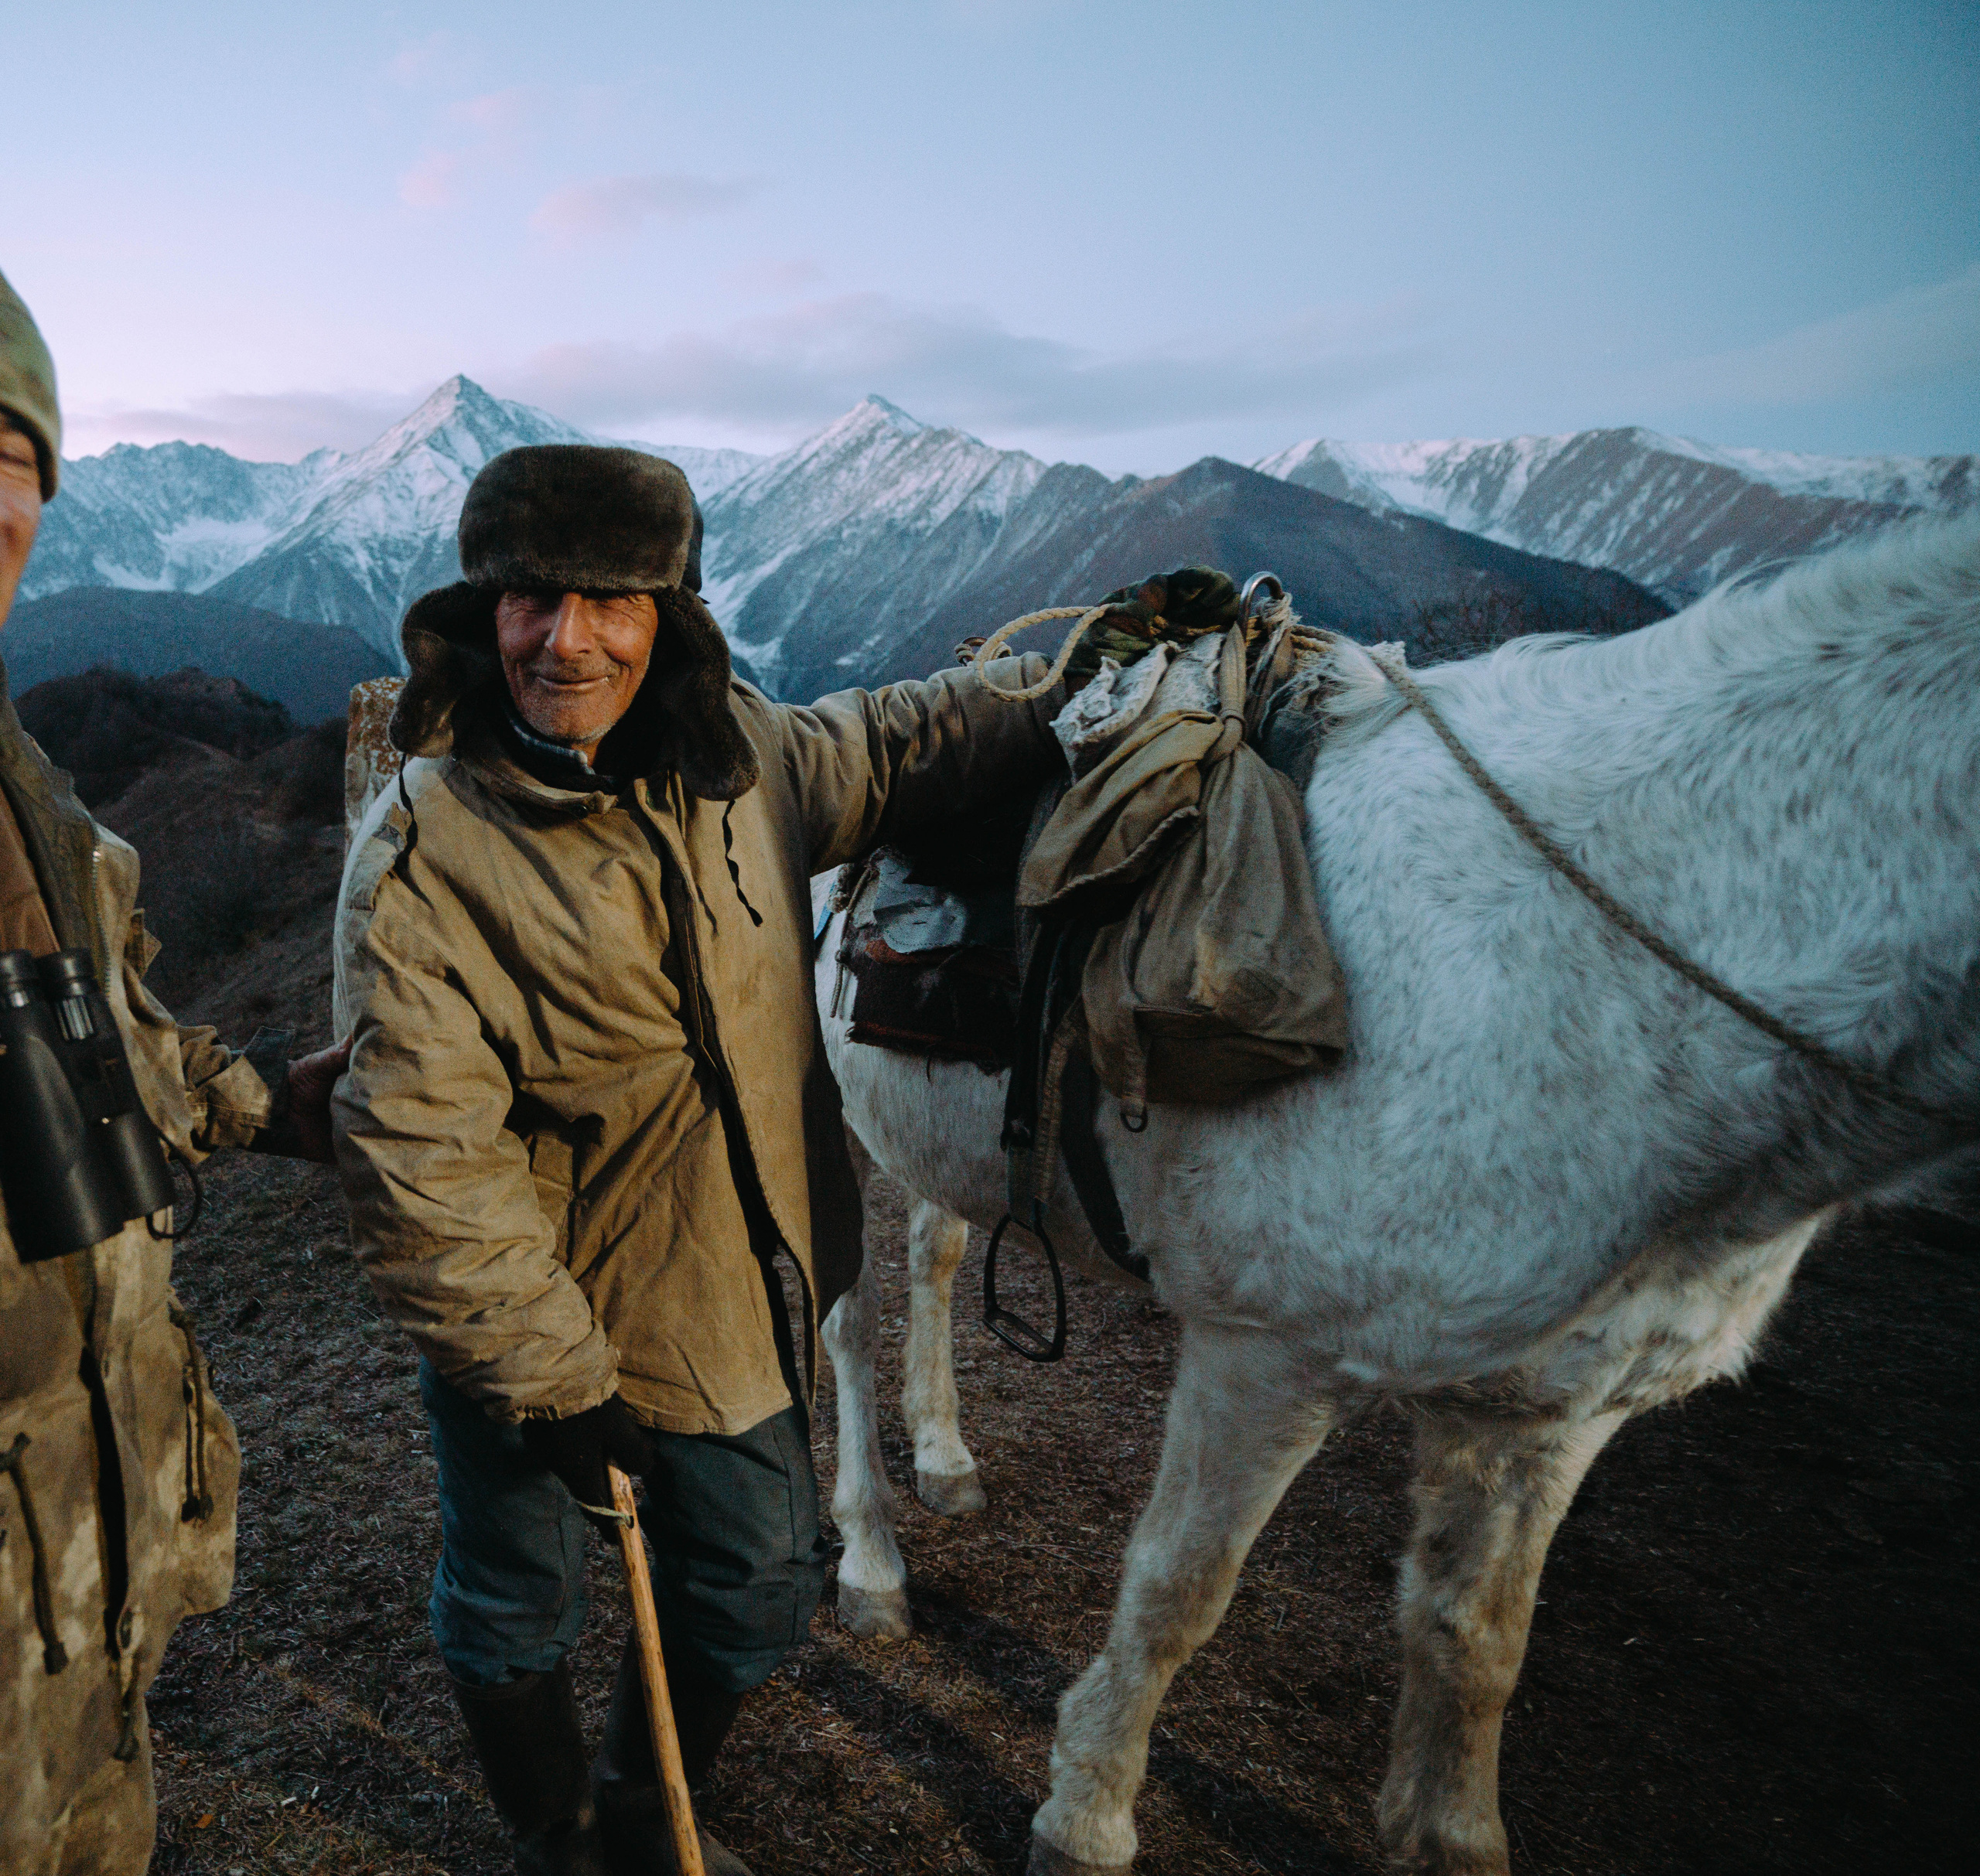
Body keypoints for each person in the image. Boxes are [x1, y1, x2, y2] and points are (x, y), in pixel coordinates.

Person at [332, 443, 1065, 1875]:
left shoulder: (739, 759)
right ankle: (562, 1834)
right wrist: (549, 1378)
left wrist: (1072, 685)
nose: (569, 638)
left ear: (667, 616)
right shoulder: (426, 851)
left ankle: (635, 1799)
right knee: (517, 1595)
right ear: (485, 611)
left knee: (757, 1579)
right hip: (527, 1303)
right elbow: (422, 1157)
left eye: (612, 601)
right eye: (533, 598)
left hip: (717, 1280)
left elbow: (891, 745)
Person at [0, 269, 346, 1875]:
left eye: (9, 468)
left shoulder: (36, 804)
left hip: (79, 1583)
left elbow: (104, 1050)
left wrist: (271, 1097)